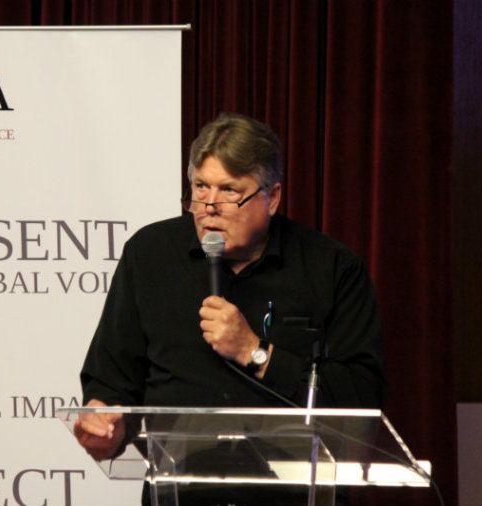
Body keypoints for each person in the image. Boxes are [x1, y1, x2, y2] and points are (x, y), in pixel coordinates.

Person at [73, 114, 387, 505]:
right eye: (200, 188)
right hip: (179, 494)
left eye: (228, 191)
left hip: (292, 496)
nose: (209, 207)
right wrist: (103, 422)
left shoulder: (331, 268)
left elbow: (359, 399)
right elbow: (113, 378)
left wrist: (256, 352)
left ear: (271, 198)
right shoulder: (150, 254)